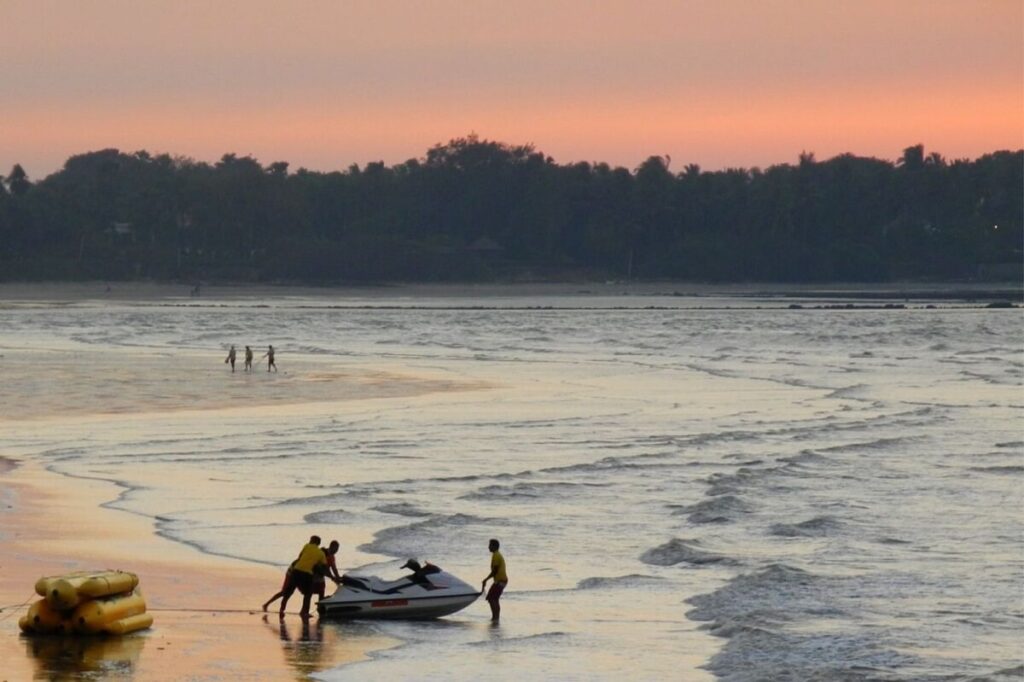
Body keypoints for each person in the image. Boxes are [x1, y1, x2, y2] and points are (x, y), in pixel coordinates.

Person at [286, 535, 326, 619]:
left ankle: (282, 609)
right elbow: (324, 567)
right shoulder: (321, 553)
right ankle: (305, 613)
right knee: (308, 594)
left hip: (296, 570)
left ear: (313, 541)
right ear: (318, 543)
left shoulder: (306, 546)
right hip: (307, 573)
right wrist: (332, 576)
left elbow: (300, 557)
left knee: (289, 591)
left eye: (311, 540)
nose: (309, 541)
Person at [481, 538, 508, 621]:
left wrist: (486, 579)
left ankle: (495, 618)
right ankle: (496, 618)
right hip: (501, 580)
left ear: (494, 546)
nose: (488, 547)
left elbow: (494, 571)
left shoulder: (496, 555)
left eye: (490, 545)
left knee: (491, 598)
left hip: (500, 580)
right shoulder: (496, 555)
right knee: (494, 598)